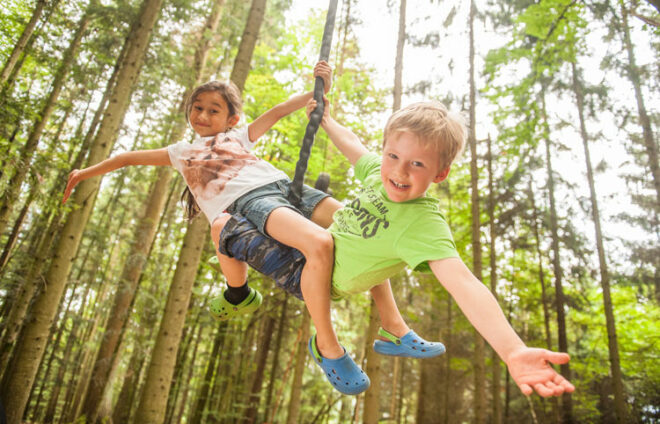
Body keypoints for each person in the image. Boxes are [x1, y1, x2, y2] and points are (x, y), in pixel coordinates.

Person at [217, 94, 575, 398]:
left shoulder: (423, 225)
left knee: (223, 226)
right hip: (322, 240)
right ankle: (393, 327)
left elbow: (465, 285)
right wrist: (325, 120)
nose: (399, 172)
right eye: (393, 157)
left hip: (308, 275)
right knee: (326, 209)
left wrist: (512, 349)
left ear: (440, 173)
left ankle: (326, 347)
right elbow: (355, 147)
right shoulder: (379, 174)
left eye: (417, 164)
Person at [63, 62, 375, 394]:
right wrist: (85, 172)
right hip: (247, 209)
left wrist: (317, 90)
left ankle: (388, 307)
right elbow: (126, 158)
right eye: (197, 108)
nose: (203, 115)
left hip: (281, 189)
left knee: (353, 225)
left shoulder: (238, 136)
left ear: (231, 120)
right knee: (289, 241)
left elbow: (278, 111)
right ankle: (306, 333)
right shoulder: (181, 153)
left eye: (214, 110)